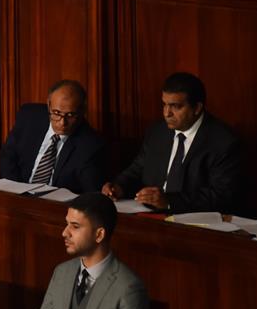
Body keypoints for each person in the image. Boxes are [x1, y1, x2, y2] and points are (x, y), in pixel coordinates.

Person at [17, 193, 148, 309]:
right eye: (67, 223)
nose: (64, 232)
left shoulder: (128, 287)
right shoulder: (62, 273)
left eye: (75, 226)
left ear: (99, 234)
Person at [102, 72, 243, 213]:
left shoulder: (223, 142)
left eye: (176, 106)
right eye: (164, 105)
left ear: (197, 108)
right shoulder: (158, 131)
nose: (167, 113)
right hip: (151, 216)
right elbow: (138, 168)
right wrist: (119, 187)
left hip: (194, 223)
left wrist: (169, 202)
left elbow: (222, 196)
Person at [0, 80, 106, 193]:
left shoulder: (91, 145)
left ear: (83, 111)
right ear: (49, 105)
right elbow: (8, 156)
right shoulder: (29, 117)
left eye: (70, 115)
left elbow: (89, 190)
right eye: (56, 113)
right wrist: (17, 191)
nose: (62, 122)